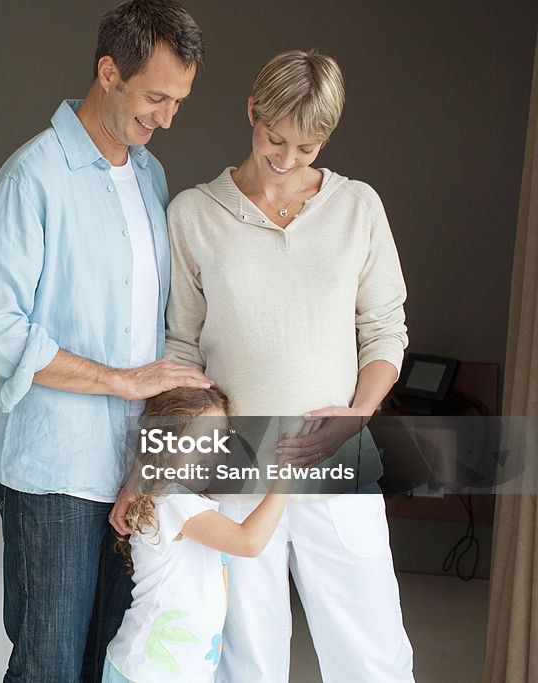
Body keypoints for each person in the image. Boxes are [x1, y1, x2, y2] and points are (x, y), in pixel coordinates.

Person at [151, 49, 415, 681]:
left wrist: (356, 414)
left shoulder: (358, 209)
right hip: (236, 462)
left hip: (338, 457)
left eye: (307, 146)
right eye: (276, 138)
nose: (287, 159)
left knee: (372, 650)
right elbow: (180, 349)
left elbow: (385, 331)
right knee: (248, 656)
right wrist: (163, 460)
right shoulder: (194, 215)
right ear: (252, 111)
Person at [0, 2, 206, 680]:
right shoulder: (31, 178)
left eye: (179, 101)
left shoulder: (151, 177)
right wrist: (121, 380)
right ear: (109, 71)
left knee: (114, 657)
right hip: (56, 471)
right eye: (157, 96)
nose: (167, 116)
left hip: (130, 467)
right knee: (51, 664)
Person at [104, 387, 292, 683]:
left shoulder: (192, 502)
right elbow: (249, 541)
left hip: (179, 671)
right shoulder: (170, 499)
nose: (210, 452)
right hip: (148, 672)